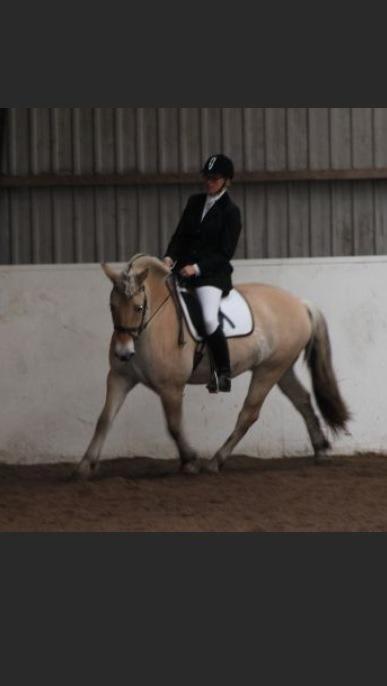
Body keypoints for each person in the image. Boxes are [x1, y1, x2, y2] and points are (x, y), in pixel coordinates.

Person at [163, 154, 242, 393]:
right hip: (181, 269)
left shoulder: (231, 211)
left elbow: (225, 253)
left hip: (211, 276)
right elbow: (180, 236)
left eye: (214, 178)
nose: (208, 182)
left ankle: (223, 371)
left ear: (226, 181)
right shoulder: (194, 202)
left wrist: (197, 268)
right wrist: (169, 257)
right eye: (206, 177)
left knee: (208, 318)